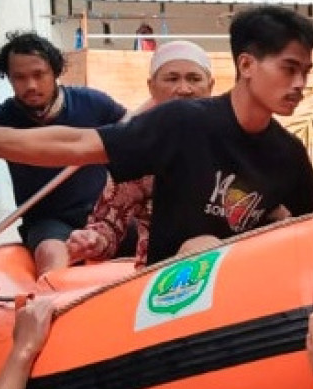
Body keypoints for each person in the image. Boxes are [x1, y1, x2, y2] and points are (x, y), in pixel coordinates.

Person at [0, 6, 313, 266]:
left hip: (243, 298)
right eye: (289, 68)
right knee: (200, 245)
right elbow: (78, 145)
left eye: (305, 72)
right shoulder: (180, 123)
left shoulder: (288, 155)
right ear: (246, 65)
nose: (299, 83)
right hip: (167, 293)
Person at [0, 32, 126, 276]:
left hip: (105, 215)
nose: (31, 85)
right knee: (52, 253)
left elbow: (134, 137)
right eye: (19, 78)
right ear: (9, 79)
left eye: (39, 75)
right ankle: (52, 304)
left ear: (54, 72)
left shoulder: (94, 104)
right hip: (49, 222)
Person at [66, 41, 216, 267]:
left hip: (230, 270)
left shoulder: (233, 137)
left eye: (194, 79)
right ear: (151, 87)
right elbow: (108, 227)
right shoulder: (139, 151)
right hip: (159, 279)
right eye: (172, 79)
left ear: (210, 85)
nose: (184, 89)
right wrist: (93, 241)